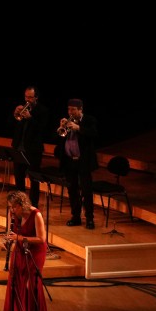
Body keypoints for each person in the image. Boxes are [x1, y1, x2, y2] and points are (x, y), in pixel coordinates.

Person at [3, 190, 49, 311]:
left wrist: (20, 238)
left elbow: (41, 239)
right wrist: (8, 240)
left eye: (14, 207)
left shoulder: (36, 215)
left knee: (32, 282)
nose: (11, 210)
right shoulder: (11, 213)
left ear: (22, 205)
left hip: (35, 251)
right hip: (19, 248)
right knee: (15, 279)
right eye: (10, 207)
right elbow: (10, 232)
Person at [54, 98, 98, 230]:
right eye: (69, 109)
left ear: (80, 109)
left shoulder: (90, 120)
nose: (70, 112)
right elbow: (60, 139)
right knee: (72, 190)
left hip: (83, 162)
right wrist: (61, 127)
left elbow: (94, 134)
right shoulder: (67, 122)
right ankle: (76, 217)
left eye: (73, 109)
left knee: (86, 190)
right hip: (69, 161)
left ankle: (89, 219)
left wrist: (79, 128)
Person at [11, 86, 49, 206]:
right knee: (19, 179)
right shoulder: (21, 109)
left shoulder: (43, 111)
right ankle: (20, 204)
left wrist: (31, 118)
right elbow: (12, 127)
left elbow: (43, 131)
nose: (27, 100)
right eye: (26, 97)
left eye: (30, 97)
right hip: (19, 149)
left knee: (34, 180)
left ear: (36, 97)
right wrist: (14, 115)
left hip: (33, 151)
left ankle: (33, 206)